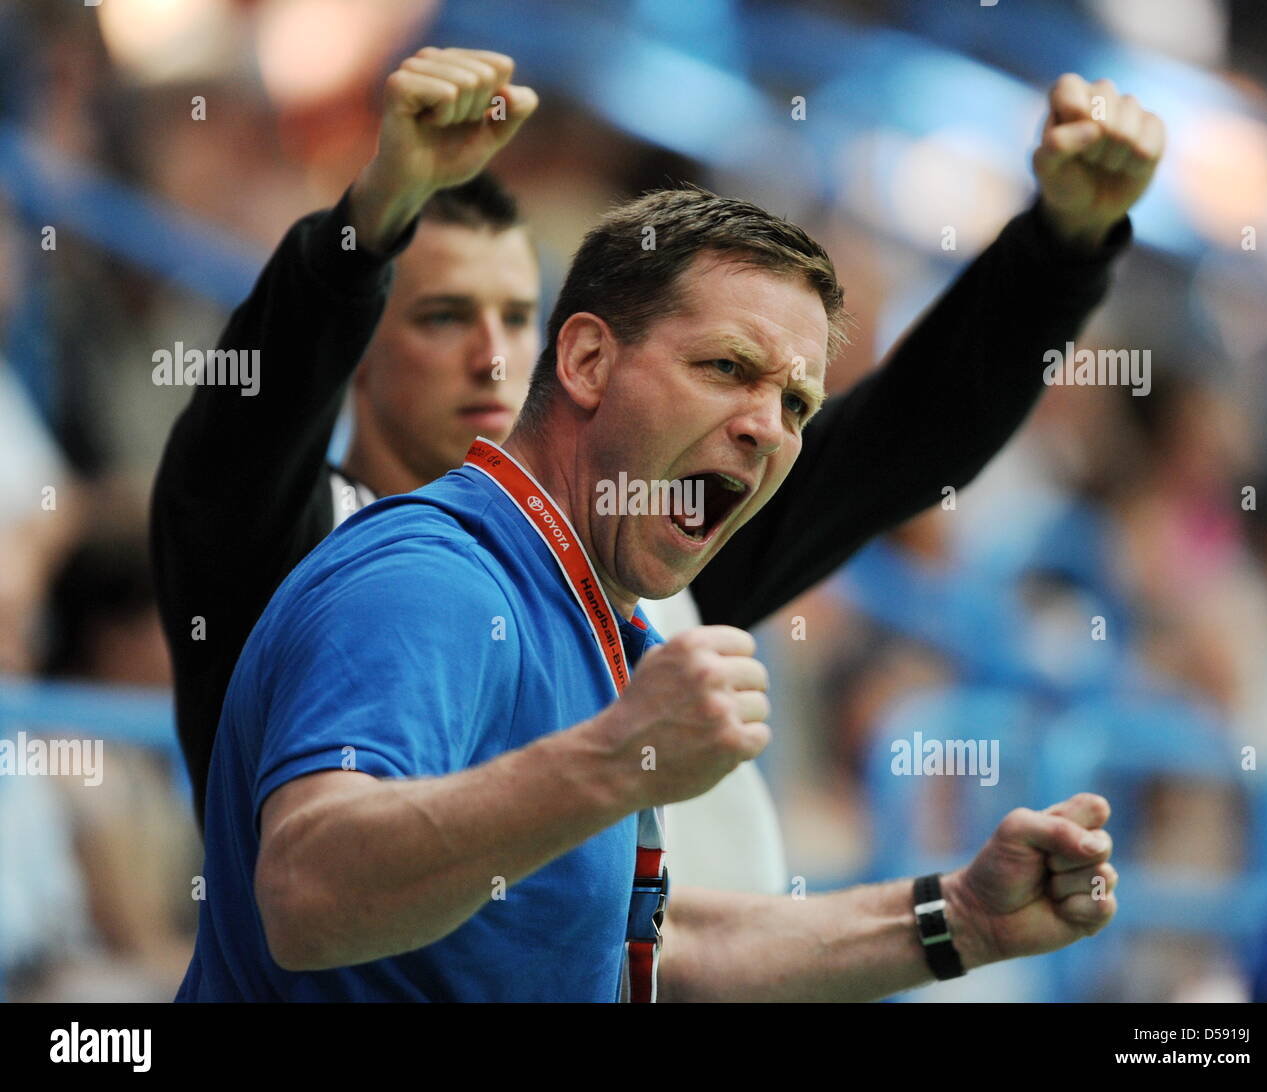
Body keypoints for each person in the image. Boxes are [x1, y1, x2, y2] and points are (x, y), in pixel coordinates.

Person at [173, 59, 1136, 1001]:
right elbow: (304, 892)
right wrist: (615, 755)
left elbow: (656, 947)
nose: (768, 423)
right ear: (587, 358)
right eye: (725, 366)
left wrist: (960, 919)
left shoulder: (605, 603)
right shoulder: (430, 577)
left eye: (797, 403)